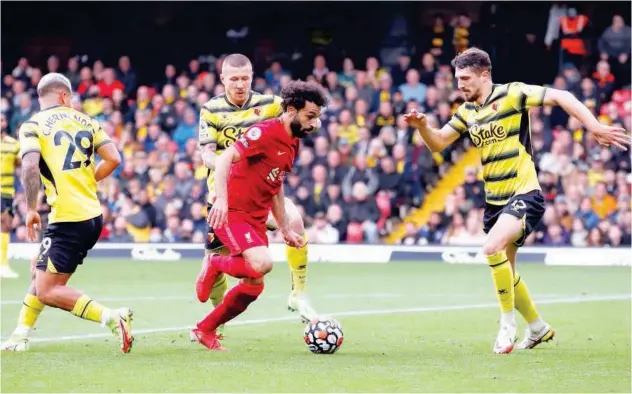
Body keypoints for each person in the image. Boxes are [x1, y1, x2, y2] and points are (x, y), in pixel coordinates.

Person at [404, 47, 630, 354]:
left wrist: (594, 127)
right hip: (494, 202)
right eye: (457, 79)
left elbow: (562, 96)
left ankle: (506, 324)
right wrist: (422, 128)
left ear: (485, 75)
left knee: (490, 248)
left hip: (524, 193)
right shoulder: (467, 112)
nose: (460, 85)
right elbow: (439, 143)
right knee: (506, 270)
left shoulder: (512, 94)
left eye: (466, 78)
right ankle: (537, 328)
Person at [1, 73, 133, 353]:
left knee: (47, 289)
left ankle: (111, 317)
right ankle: (20, 334)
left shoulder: (32, 125)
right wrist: (88, 180)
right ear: (64, 95)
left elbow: (30, 167)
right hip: (92, 215)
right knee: (38, 266)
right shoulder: (88, 121)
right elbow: (114, 158)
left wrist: (31, 209)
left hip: (68, 218)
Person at [193, 80, 328, 351]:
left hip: (255, 216)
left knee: (254, 285)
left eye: (317, 118)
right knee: (262, 264)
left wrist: (284, 228)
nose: (315, 124)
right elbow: (223, 159)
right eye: (310, 116)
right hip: (233, 213)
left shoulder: (293, 143)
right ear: (291, 110)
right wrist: (221, 200)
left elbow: (275, 185)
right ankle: (216, 263)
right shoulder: (264, 133)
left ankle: (205, 329)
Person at [0, 122, 20, 278]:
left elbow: (20, 164)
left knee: (6, 225)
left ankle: (3, 264)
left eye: (2, 120)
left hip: (7, 191)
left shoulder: (13, 144)